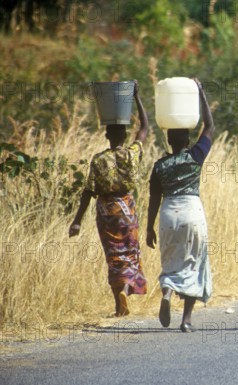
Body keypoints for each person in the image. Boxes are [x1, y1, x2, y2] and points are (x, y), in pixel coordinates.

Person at [69, 80, 149, 316]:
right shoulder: (132, 154)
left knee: (114, 254)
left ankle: (118, 303)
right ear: (125, 134)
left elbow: (88, 192)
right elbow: (145, 128)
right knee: (130, 251)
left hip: (106, 211)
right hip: (127, 208)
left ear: (106, 135)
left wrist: (77, 221)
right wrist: (137, 97)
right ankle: (126, 287)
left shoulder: (98, 159)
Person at [146, 79, 215, 333]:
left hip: (167, 215)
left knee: (171, 262)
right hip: (191, 212)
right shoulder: (195, 157)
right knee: (195, 263)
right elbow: (209, 127)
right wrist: (201, 92)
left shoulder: (159, 166)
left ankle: (167, 290)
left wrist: (149, 228)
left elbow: (154, 198)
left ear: (168, 139)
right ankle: (186, 320)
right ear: (187, 139)